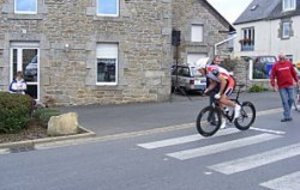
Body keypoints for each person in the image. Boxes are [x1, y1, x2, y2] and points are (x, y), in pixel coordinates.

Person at [196, 59, 241, 129]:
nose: (199, 72)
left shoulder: (213, 70)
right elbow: (214, 83)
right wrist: (207, 90)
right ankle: (224, 120)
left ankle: (236, 106)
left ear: (203, 68)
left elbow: (224, 82)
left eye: (199, 70)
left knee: (222, 99)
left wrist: (219, 93)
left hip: (229, 82)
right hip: (222, 82)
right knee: (219, 103)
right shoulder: (206, 73)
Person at [270, 54, 300, 122]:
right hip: (281, 86)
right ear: (279, 58)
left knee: (291, 99)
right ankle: (287, 116)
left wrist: (297, 81)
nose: (281, 58)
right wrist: (273, 85)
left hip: (290, 85)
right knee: (284, 101)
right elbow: (272, 75)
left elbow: (293, 73)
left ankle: (287, 114)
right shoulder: (275, 65)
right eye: (280, 57)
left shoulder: (289, 64)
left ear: (284, 57)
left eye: (283, 57)